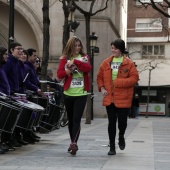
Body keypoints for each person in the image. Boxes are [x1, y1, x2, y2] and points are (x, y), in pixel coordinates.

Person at [97, 38, 139, 155]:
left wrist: (118, 82)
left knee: (122, 123)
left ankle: (121, 135)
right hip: (110, 98)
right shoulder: (106, 63)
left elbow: (134, 78)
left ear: (120, 49)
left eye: (115, 48)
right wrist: (102, 88)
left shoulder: (128, 63)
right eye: (112, 48)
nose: (112, 50)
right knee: (111, 123)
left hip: (124, 98)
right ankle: (112, 147)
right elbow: (99, 77)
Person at [57, 36, 91, 155]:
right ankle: (72, 141)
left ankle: (74, 143)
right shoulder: (64, 58)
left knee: (77, 119)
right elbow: (60, 74)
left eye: (79, 45)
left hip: (81, 93)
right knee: (71, 120)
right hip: (68, 93)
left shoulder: (85, 57)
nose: (77, 48)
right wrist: (69, 70)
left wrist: (76, 62)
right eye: (75, 46)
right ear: (70, 46)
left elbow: (87, 68)